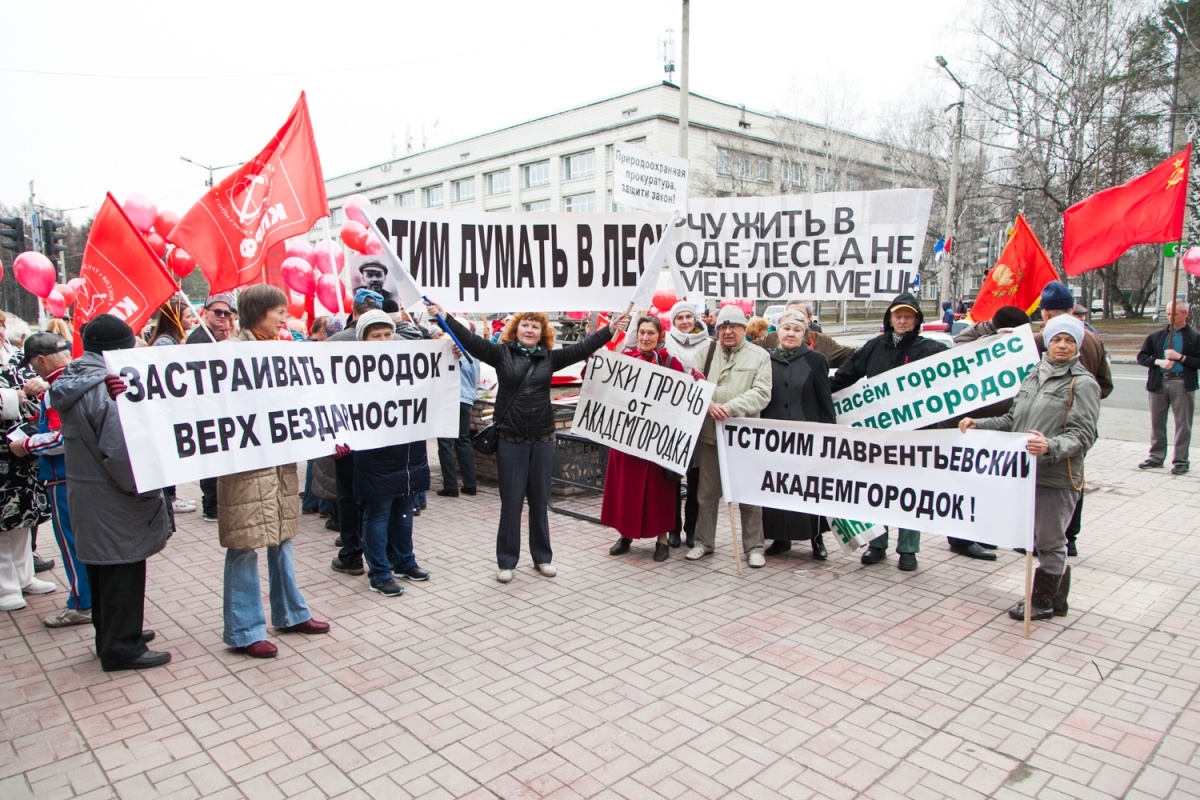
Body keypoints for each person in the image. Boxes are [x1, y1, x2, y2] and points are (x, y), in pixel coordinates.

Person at [428, 301, 629, 583]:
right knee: (511, 502)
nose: (530, 330)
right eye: (525, 324)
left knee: (539, 502)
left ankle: (542, 557)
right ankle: (507, 561)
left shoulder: (549, 358)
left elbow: (581, 348)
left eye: (535, 326)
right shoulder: (500, 354)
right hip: (511, 440)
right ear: (515, 329)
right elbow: (471, 340)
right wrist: (444, 316)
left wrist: (610, 330)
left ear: (542, 332)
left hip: (543, 440)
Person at [959, 314, 1100, 621]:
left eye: (1069, 340)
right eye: (1056, 339)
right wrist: (979, 423)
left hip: (1057, 475)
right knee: (1037, 538)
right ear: (1047, 342)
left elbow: (1084, 435)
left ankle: (1042, 601)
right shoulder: (1034, 375)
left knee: (1050, 540)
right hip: (1025, 472)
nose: (1062, 345)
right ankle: (1056, 599)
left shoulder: (1082, 383)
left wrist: (1050, 445)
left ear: (1078, 345)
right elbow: (1014, 420)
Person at [51, 315, 170, 670]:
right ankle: (122, 647)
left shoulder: (76, 379)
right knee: (124, 569)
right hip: (114, 496)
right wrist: (146, 485)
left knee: (102, 568)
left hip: (89, 493)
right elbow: (121, 453)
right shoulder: (108, 389)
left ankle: (111, 634)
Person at [217, 285, 329, 657]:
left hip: (279, 461)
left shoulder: (282, 351)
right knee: (245, 542)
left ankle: (291, 612)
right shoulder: (228, 354)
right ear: (257, 312)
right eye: (278, 312)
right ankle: (245, 629)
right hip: (245, 464)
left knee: (282, 535)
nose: (284, 318)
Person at [831, 292, 947, 570]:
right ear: (890, 319)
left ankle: (908, 550)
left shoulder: (929, 348)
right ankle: (877, 544)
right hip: (877, 434)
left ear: (917, 320)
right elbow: (845, 377)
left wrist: (997, 338)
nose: (903, 321)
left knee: (911, 491)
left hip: (914, 435)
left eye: (909, 316)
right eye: (899, 316)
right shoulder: (874, 346)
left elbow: (967, 364)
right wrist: (817, 394)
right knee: (877, 489)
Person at [338, 309, 431, 596]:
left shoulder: (410, 362)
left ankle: (404, 560)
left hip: (408, 451)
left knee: (404, 509)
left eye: (387, 333)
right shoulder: (351, 371)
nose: (384, 339)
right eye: (375, 335)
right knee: (377, 514)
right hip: (375, 454)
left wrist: (449, 351)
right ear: (363, 339)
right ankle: (378, 572)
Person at [11, 333, 91, 626]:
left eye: (32, 363)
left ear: (41, 360)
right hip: (83, 474)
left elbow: (63, 437)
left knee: (72, 545)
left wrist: (27, 444)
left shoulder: (59, 387)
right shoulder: (79, 375)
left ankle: (83, 603)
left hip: (62, 476)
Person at [603, 316, 695, 562]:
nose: (645, 338)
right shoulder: (626, 360)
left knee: (658, 492)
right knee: (627, 490)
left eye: (650, 333)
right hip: (626, 439)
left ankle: (662, 539)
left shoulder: (671, 364)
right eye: (641, 333)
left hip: (656, 441)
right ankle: (626, 534)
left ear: (660, 336)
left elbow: (683, 401)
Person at [943, 305, 1031, 561]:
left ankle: (978, 531)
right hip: (964, 426)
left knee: (986, 482)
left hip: (996, 426)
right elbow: (959, 351)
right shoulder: (974, 339)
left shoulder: (1020, 344)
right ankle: (960, 539)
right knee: (962, 483)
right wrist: (990, 339)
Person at [689, 305, 772, 567]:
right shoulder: (705, 352)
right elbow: (693, 384)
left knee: (748, 494)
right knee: (706, 493)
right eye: (723, 326)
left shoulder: (759, 356)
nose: (727, 331)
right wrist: (708, 403)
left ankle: (755, 548)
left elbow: (762, 393)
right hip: (710, 435)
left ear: (743, 330)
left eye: (733, 327)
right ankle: (704, 542)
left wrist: (730, 408)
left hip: (744, 438)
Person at [1036, 281, 1112, 556]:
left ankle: (1049, 546)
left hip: (1049, 438)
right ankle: (1071, 538)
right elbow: (1106, 384)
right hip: (1076, 433)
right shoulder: (1092, 337)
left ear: (1045, 313)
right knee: (1073, 483)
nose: (1062, 346)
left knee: (1052, 492)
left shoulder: (1041, 340)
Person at [760, 308, 835, 560]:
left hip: (806, 437)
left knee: (808, 489)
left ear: (804, 334)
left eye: (797, 329)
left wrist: (829, 436)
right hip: (773, 438)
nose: (790, 333)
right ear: (777, 331)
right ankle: (781, 539)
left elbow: (825, 402)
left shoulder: (816, 360)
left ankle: (816, 538)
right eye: (786, 328)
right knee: (777, 488)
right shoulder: (765, 359)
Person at [663, 300, 710, 549]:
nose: (684, 322)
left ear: (695, 319)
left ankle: (691, 528)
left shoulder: (708, 343)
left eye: (688, 317)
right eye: (679, 317)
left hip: (699, 417)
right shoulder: (666, 342)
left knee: (696, 478)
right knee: (671, 477)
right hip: (673, 417)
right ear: (673, 320)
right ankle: (673, 528)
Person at [186, 294, 237, 522]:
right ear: (205, 312)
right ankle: (211, 506)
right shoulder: (199, 340)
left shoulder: (212, 337)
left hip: (214, 407)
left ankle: (214, 503)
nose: (223, 317)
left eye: (227, 313)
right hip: (204, 409)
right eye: (218, 312)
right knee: (211, 458)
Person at [1137, 299, 1200, 476]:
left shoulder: (1194, 337)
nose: (1171, 317)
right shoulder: (1157, 336)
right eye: (1169, 313)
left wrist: (1182, 358)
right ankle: (1156, 456)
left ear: (1185, 314)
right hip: (1159, 382)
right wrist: (1158, 362)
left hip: (1181, 382)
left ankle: (1181, 460)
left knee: (1183, 424)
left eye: (1175, 314)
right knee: (1157, 421)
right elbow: (1142, 357)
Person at [437, 322, 480, 498]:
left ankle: (451, 485)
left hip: (449, 399)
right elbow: (476, 378)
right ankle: (470, 484)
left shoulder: (446, 349)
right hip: (467, 399)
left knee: (445, 443)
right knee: (463, 441)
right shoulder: (473, 353)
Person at [758, 299, 856, 369]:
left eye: (799, 314)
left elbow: (852, 355)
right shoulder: (771, 338)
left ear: (809, 317)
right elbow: (747, 349)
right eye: (789, 314)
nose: (794, 318)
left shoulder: (823, 342)